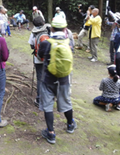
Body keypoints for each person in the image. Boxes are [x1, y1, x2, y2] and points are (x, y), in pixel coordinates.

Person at [38, 16, 76, 144]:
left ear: (52, 28)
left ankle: (50, 133)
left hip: (48, 80)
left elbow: (40, 55)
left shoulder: (46, 43)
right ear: (65, 28)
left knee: (48, 105)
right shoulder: (69, 42)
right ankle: (70, 124)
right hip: (64, 79)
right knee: (66, 101)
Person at [28, 16, 50, 107]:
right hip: (49, 59)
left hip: (38, 60)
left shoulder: (34, 33)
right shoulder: (49, 30)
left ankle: (39, 99)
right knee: (48, 78)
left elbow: (32, 45)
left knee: (40, 79)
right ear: (43, 22)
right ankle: (49, 97)